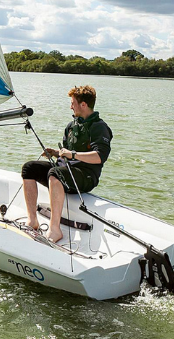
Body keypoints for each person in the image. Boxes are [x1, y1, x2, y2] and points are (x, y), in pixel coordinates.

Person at [21, 85, 113, 243]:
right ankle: (32, 221)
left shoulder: (99, 127)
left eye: (73, 102)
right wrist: (56, 153)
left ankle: (55, 230)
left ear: (83, 104)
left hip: (85, 176)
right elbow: (67, 151)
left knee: (55, 173)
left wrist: (73, 154)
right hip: (65, 171)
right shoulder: (71, 126)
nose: (71, 106)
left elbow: (99, 157)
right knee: (29, 168)